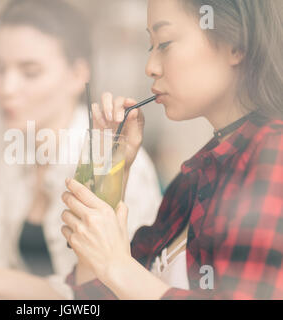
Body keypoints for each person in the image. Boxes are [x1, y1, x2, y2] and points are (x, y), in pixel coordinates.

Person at [0, 0, 162, 299]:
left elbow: (101, 296)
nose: (6, 87)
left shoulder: (118, 165)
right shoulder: (2, 147)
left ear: (78, 74)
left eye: (30, 72)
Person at [61, 0, 283, 299]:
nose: (150, 67)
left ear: (236, 44)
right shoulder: (192, 179)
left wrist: (118, 266)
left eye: (164, 43)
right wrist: (112, 172)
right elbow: (95, 297)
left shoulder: (274, 151)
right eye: (149, 47)